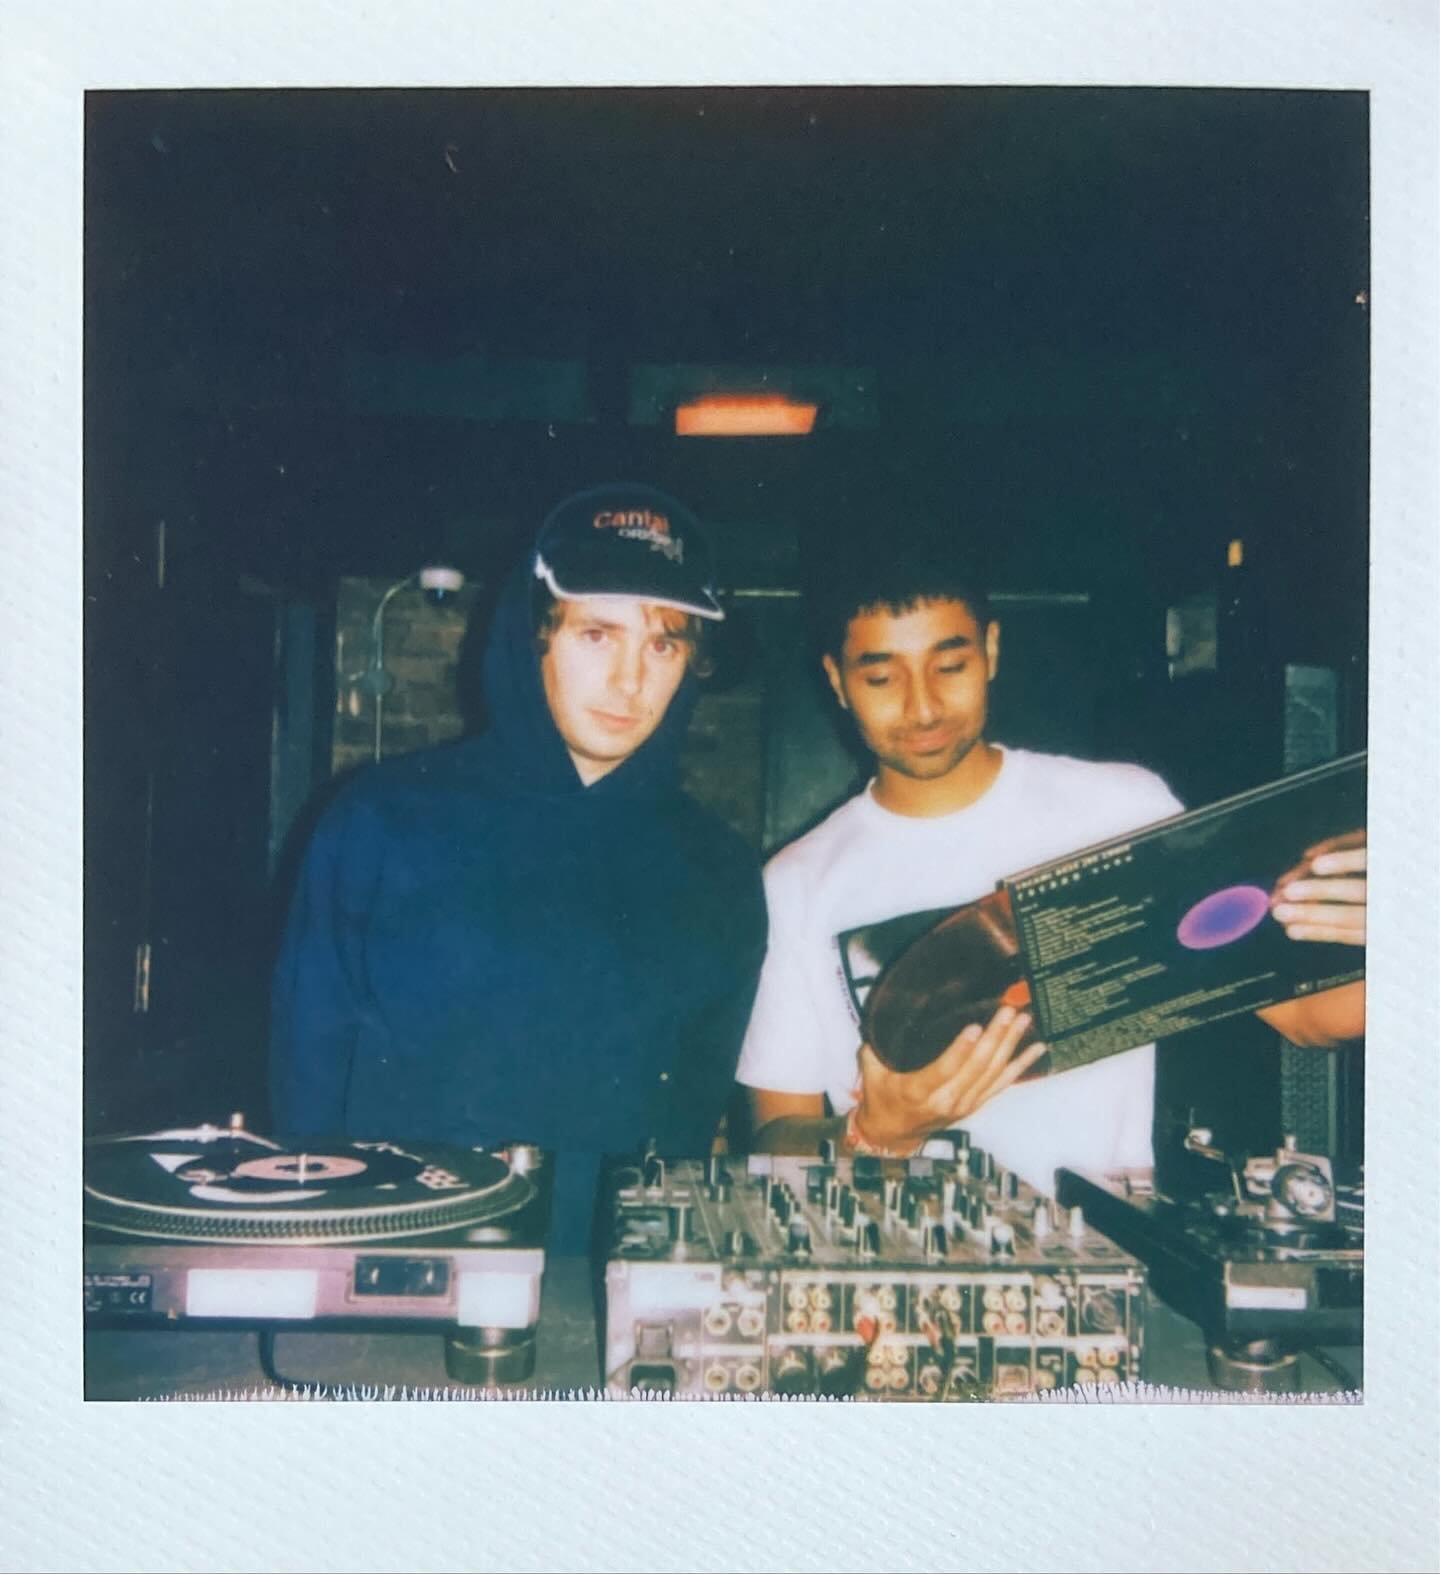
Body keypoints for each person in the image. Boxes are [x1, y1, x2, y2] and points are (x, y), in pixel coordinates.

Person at [736, 544, 1365, 1188]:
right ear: (838, 682)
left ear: (992, 651)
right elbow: (773, 1138)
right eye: (880, 678)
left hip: (1100, 1260)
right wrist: (875, 1132)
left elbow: (1312, 1020)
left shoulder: (1120, 809)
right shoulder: (796, 881)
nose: (922, 707)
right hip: (886, 1270)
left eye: (950, 665)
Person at [270, 484, 768, 1249]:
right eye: (598, 635)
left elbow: (687, 1132)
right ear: (533, 634)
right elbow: (305, 1094)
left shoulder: (721, 873)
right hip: (394, 1288)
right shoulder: (381, 821)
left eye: (662, 644)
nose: (631, 682)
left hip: (611, 1309)